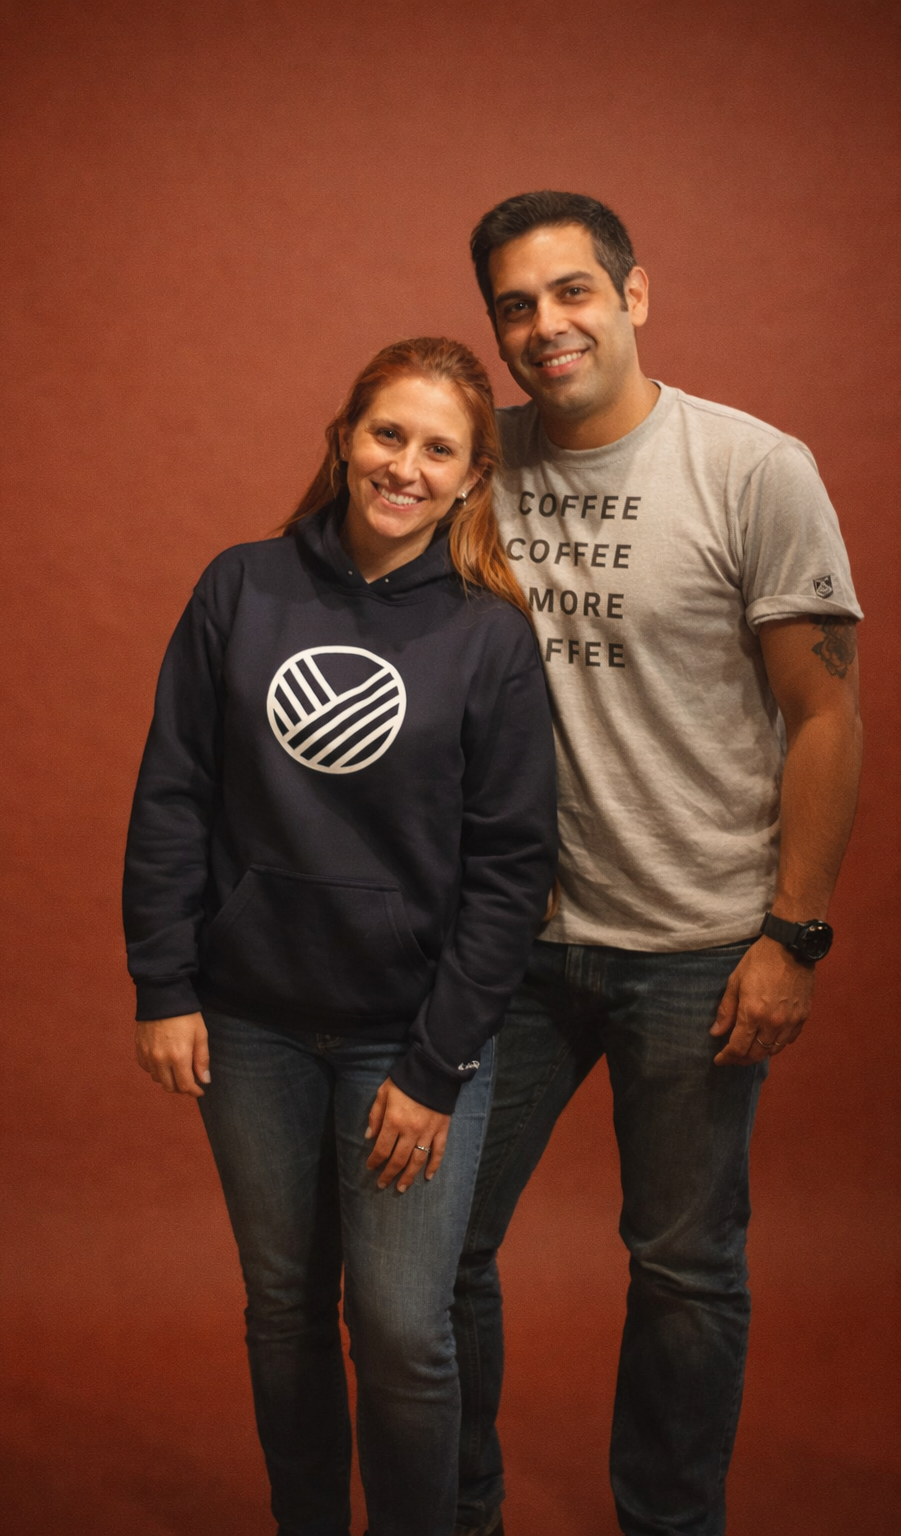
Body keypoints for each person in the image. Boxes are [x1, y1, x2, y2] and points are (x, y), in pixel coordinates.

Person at [451, 193, 863, 1536]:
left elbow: (826, 713)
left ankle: (667, 1527)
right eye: (515, 303)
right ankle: (455, 1512)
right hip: (509, 942)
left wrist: (790, 936)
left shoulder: (751, 468)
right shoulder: (476, 462)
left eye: (571, 291)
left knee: (684, 1270)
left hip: (695, 941)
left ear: (636, 295)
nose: (543, 325)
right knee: (431, 1250)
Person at [122, 336, 558, 1536]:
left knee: (405, 1330)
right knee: (282, 1308)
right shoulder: (241, 586)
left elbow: (510, 874)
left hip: (406, 1045)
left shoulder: (489, 640)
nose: (404, 466)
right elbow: (174, 795)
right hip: (249, 1026)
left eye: (437, 449)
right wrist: (163, 984)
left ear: (471, 478)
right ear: (344, 437)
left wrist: (434, 1066)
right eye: (387, 434)